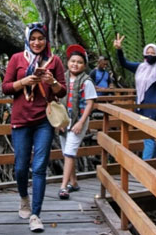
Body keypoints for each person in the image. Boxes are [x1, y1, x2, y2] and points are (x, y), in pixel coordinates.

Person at [2, 22, 66, 232]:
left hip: (44, 122)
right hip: (20, 120)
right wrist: (23, 82)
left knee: (39, 167)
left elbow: (62, 91)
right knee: (21, 167)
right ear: (28, 40)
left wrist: (52, 81)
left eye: (40, 39)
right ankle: (23, 198)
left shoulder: (54, 61)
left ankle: (36, 215)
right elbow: (5, 87)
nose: (37, 42)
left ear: (46, 40)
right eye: (33, 39)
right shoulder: (16, 59)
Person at [113, 33, 156, 160]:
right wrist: (119, 49)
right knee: (147, 135)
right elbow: (124, 63)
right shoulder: (140, 67)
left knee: (148, 136)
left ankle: (144, 166)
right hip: (141, 107)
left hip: (154, 108)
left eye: (153, 53)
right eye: (148, 52)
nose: (150, 55)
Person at [58, 45, 98, 200]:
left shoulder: (86, 81)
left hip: (78, 121)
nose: (75, 64)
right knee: (67, 153)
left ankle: (63, 187)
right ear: (68, 62)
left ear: (84, 65)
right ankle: (73, 182)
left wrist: (81, 123)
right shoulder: (63, 78)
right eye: (73, 61)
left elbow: (90, 103)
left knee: (69, 152)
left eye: (79, 62)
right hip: (64, 120)